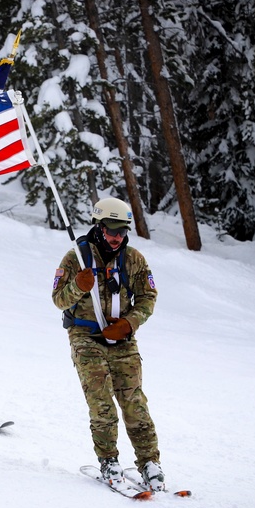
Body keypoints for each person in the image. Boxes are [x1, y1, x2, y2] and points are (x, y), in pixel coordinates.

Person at [51, 197, 165, 491]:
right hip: (86, 336)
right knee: (102, 403)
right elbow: (58, 300)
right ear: (99, 227)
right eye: (112, 231)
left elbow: (147, 297)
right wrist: (78, 285)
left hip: (122, 337)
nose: (117, 238)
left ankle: (149, 462)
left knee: (134, 403)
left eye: (122, 232)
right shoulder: (76, 256)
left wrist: (129, 323)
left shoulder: (134, 260)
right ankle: (109, 460)